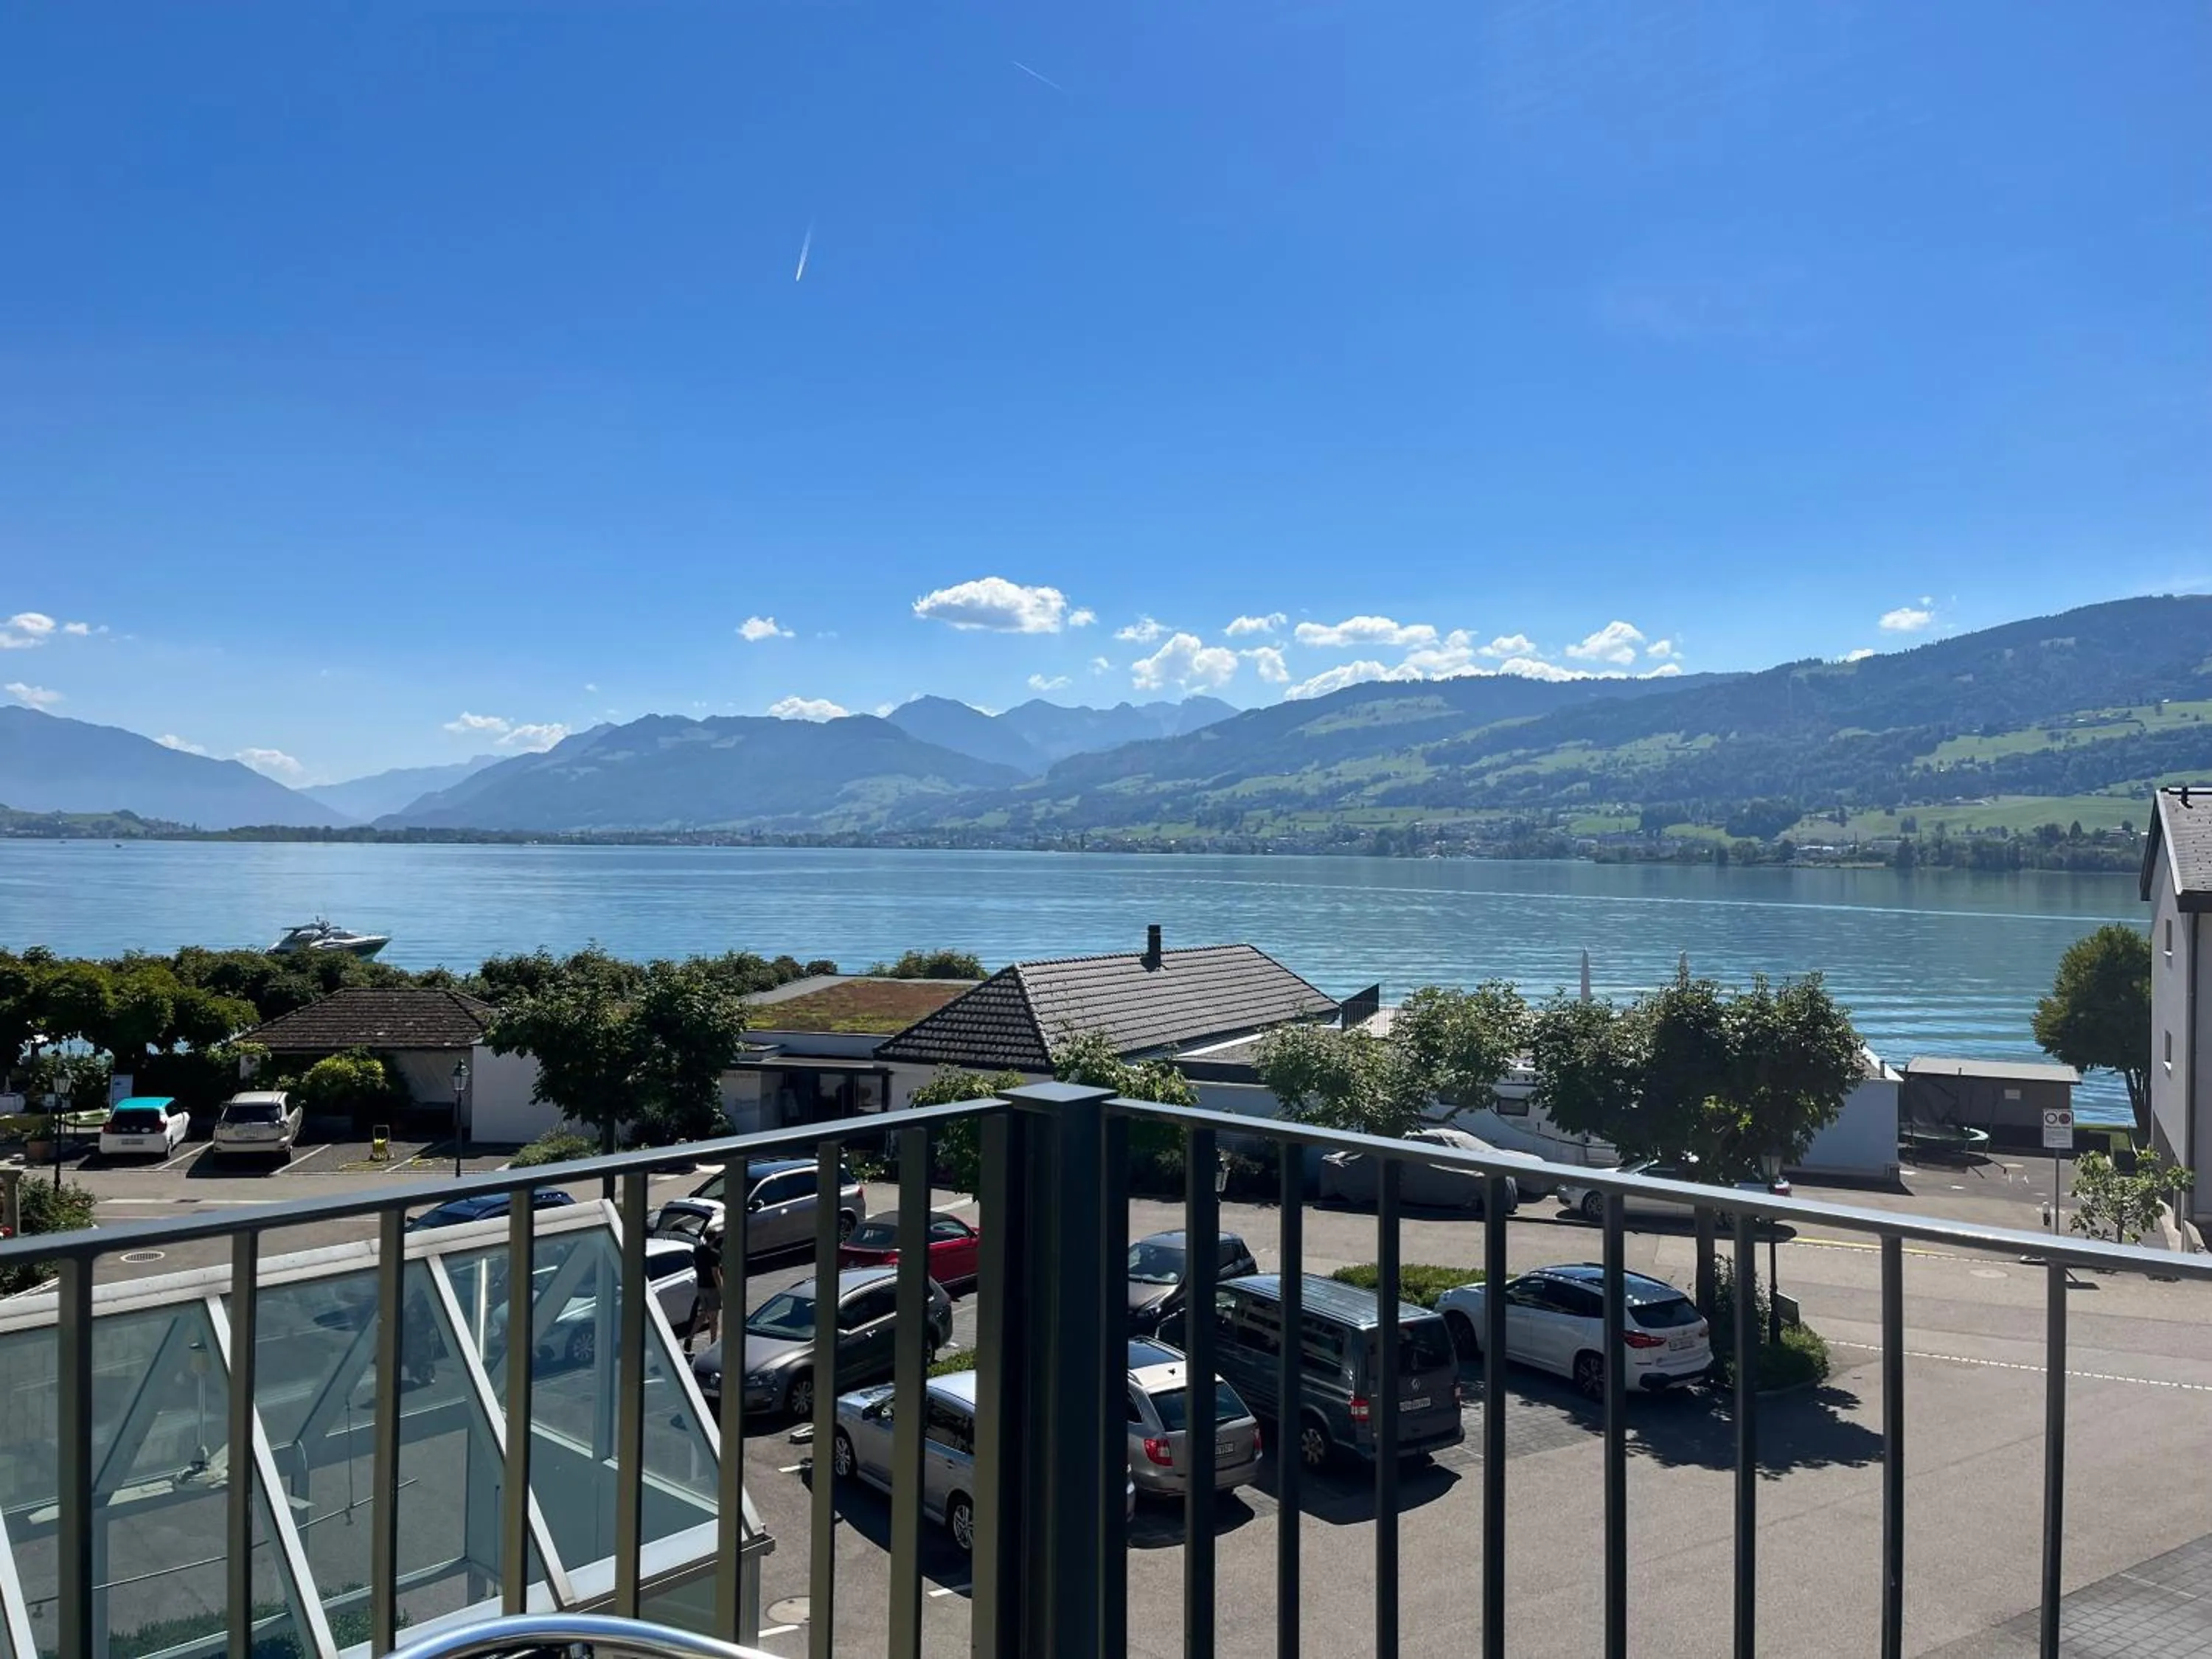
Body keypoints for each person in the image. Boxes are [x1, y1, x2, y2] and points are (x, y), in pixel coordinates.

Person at [689, 1220, 725, 1352]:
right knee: (714, 1319)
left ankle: (690, 1336)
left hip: (701, 1288)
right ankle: (713, 1345)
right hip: (712, 1289)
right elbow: (716, 1274)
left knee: (703, 1315)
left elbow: (695, 1266)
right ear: (715, 1238)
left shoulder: (697, 1251)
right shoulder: (714, 1254)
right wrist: (722, 1292)